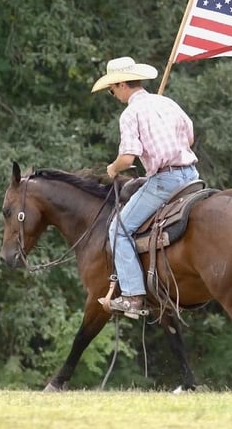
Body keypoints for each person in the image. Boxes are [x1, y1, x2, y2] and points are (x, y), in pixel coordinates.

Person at [91, 56, 199, 318]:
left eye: (112, 88)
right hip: (192, 176)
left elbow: (128, 158)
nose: (112, 93)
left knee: (118, 229)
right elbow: (191, 137)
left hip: (165, 181)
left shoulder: (130, 114)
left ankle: (133, 297)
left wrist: (113, 169)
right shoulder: (167, 102)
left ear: (122, 84)